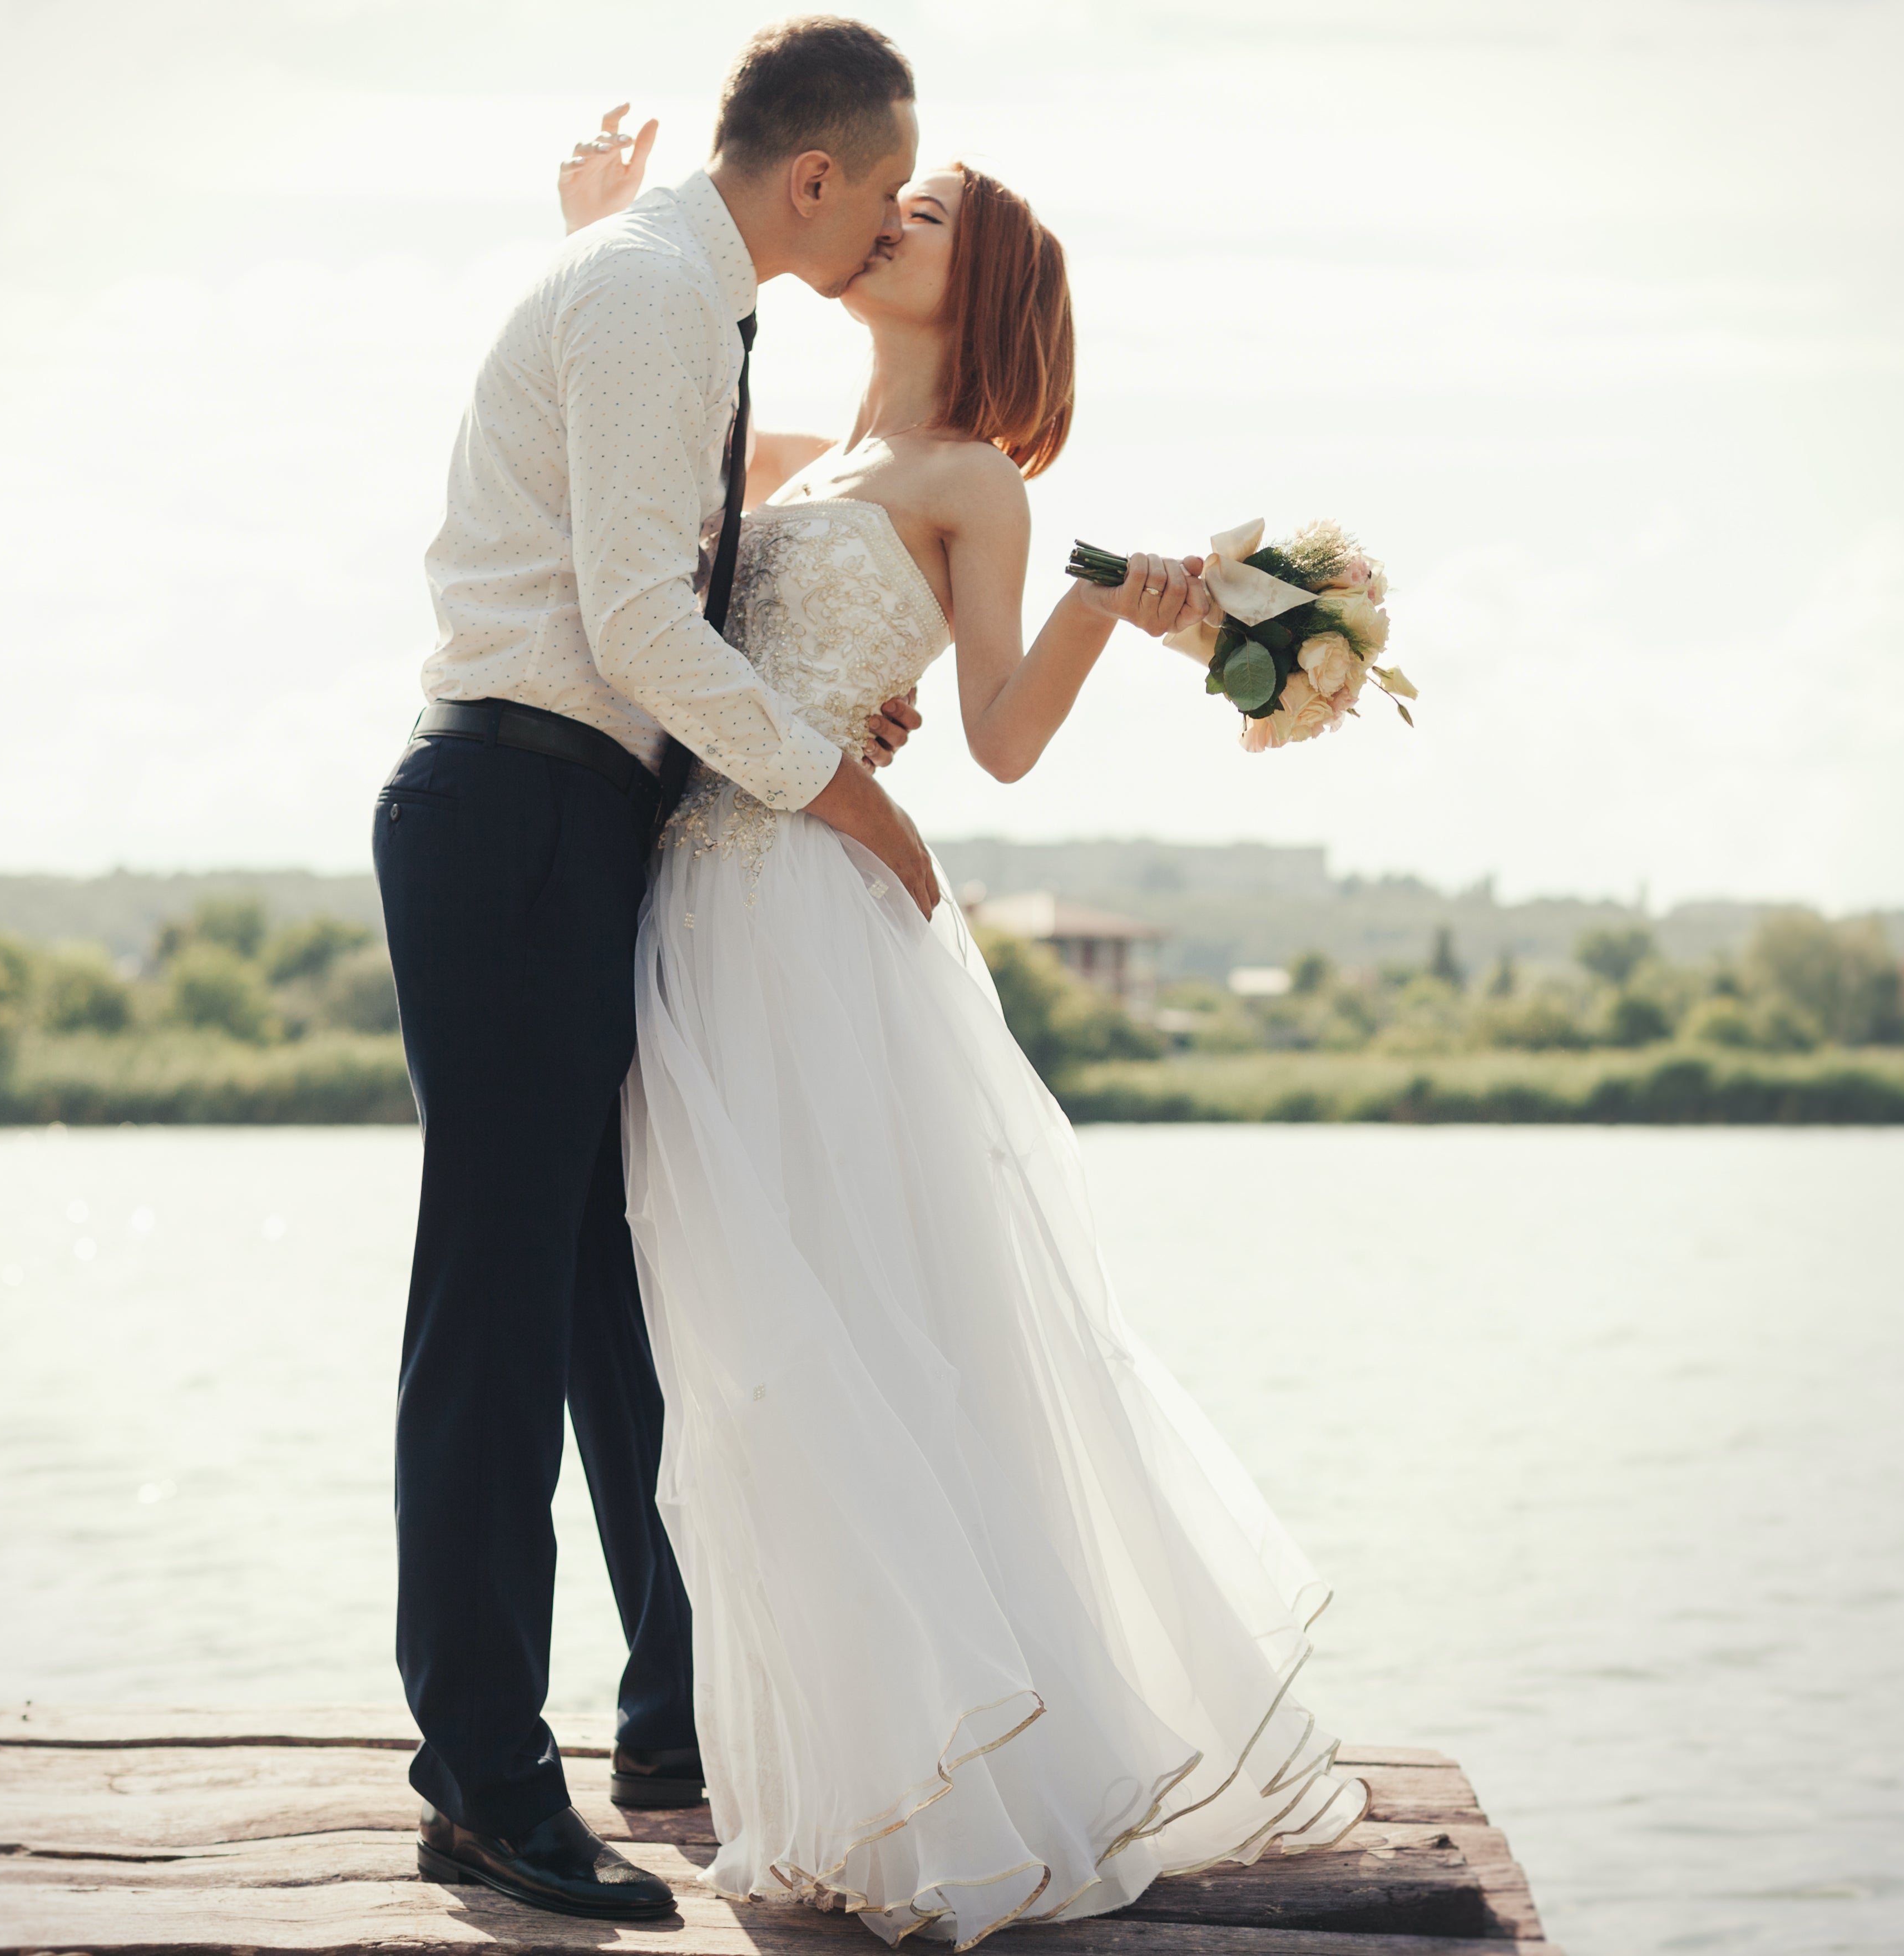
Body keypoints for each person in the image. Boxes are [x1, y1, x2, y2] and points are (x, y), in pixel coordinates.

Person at [568, 96, 1373, 1956]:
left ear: (977, 273)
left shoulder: (971, 482)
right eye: (889, 197)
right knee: (740, 1352)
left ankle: (966, 1773)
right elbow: (638, 506)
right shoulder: (782, 441)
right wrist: (606, 228)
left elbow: (997, 732)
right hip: (688, 906)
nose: (880, 218)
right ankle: (819, 1779)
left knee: (847, 1329)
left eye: (921, 210)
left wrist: (1114, 599)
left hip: (817, 935)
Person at [377, 17, 936, 1924]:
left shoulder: (680, 292)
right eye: (881, 191)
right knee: (504, 1307)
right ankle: (480, 1780)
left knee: (602, 1286)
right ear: (813, 179)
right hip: (521, 807)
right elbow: (627, 615)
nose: (886, 225)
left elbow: (694, 544)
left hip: (564, 822)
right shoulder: (647, 301)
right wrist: (838, 790)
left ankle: (663, 1711)